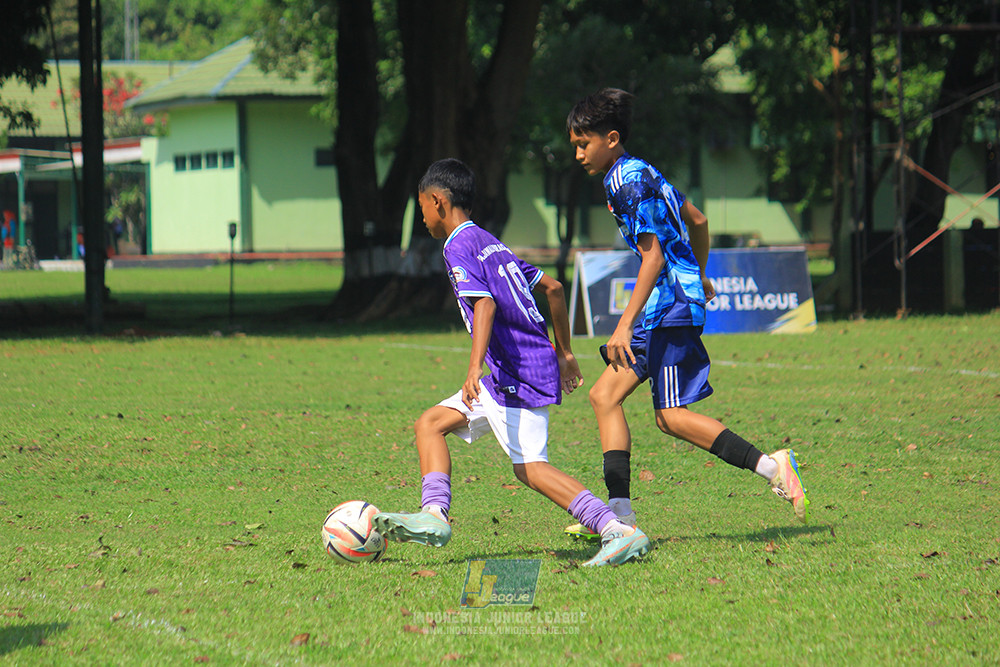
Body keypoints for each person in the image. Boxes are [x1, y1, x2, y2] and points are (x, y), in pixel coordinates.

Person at [372, 158, 651, 567]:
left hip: (516, 371)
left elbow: (483, 303)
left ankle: (616, 530)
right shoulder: (490, 242)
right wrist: (565, 353)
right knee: (430, 424)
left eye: (422, 208)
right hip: (521, 365)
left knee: (532, 470)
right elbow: (554, 288)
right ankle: (433, 514)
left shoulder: (456, 246)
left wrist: (473, 368)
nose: (424, 218)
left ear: (437, 201)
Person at [562, 88, 808, 540]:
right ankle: (619, 517)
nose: (577, 153)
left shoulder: (625, 182)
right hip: (668, 302)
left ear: (611, 138)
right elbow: (697, 220)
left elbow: (653, 259)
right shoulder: (644, 171)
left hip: (668, 308)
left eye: (584, 143)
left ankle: (775, 467)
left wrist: (623, 323)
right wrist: (699, 271)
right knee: (604, 397)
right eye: (575, 144)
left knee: (671, 416)